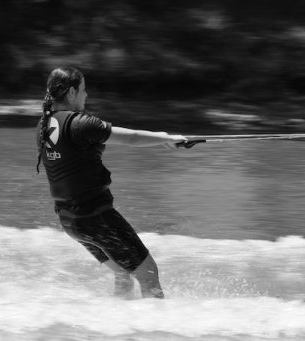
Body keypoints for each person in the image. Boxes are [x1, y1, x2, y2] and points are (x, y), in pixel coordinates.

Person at [35, 66, 190, 299]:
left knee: (122, 273)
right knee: (148, 273)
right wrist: (166, 139)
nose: (87, 95)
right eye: (84, 89)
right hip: (96, 218)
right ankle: (156, 330)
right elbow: (132, 138)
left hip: (69, 220)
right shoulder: (80, 123)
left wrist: (162, 139)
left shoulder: (43, 126)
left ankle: (116, 325)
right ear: (71, 93)